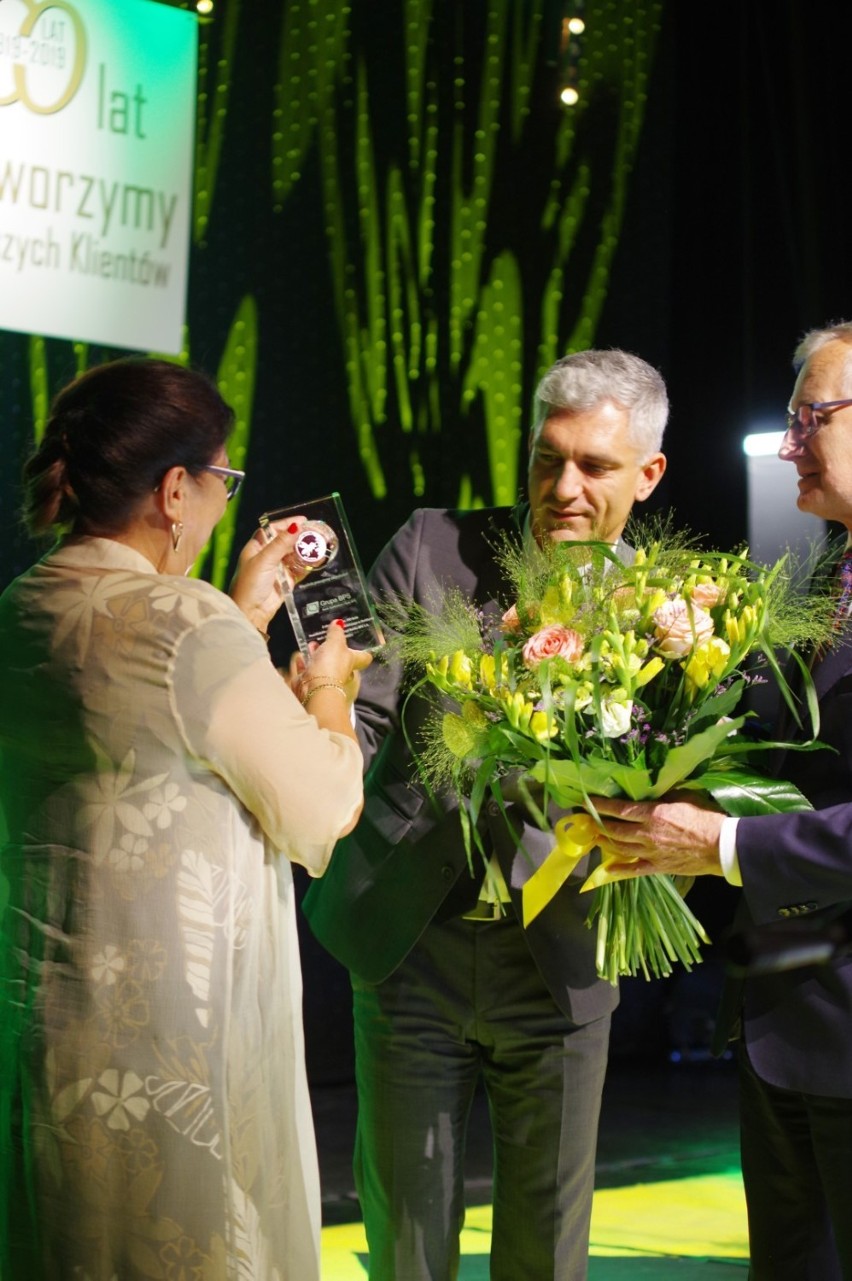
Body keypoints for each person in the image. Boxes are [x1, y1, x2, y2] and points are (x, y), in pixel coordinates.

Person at [0, 357, 370, 1280]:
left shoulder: (21, 606)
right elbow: (322, 804)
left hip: (48, 1022)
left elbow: (146, 723)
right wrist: (326, 691)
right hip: (169, 1042)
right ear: (175, 489)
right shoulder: (186, 621)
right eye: (221, 482)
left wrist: (236, 622)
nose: (216, 505)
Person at [303, 348, 668, 1280]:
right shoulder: (433, 545)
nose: (565, 487)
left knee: (545, 1249)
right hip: (409, 944)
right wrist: (307, 709)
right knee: (406, 1241)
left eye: (595, 466)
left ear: (648, 474)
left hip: (561, 956)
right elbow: (361, 707)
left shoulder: (670, 611)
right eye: (549, 459)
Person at [591, 320, 852, 1281]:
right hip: (783, 1017)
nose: (788, 442)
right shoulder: (828, 574)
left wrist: (729, 844)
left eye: (811, 418)